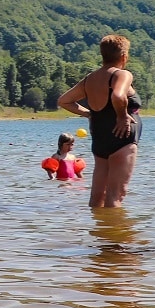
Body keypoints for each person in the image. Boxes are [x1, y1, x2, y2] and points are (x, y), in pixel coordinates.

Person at [59, 34, 142, 208]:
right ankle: (114, 233)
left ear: (102, 55)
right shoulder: (122, 74)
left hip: (100, 140)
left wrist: (89, 114)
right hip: (122, 139)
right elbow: (118, 95)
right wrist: (121, 116)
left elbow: (64, 101)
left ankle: (99, 232)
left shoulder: (90, 78)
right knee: (116, 195)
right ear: (124, 56)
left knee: (97, 198)